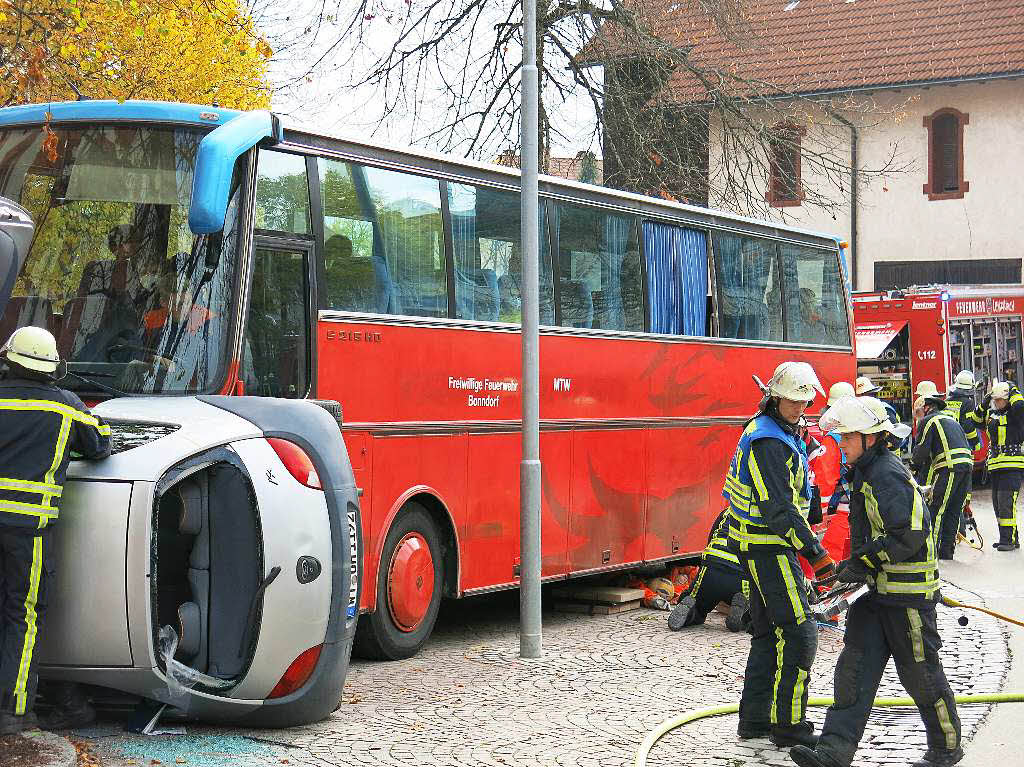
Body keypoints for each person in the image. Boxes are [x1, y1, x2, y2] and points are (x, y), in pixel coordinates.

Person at [790, 395, 962, 767]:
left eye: (848, 439)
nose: (841, 446)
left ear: (870, 438)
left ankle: (945, 748)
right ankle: (833, 752)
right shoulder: (868, 472)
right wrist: (854, 568)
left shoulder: (886, 474)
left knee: (921, 675)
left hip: (908, 597)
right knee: (853, 669)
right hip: (876, 594)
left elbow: (908, 533)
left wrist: (861, 563)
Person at [0, 326, 111, 734]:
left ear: (8, 359)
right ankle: (12, 711)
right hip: (27, 532)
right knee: (22, 615)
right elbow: (100, 444)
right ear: (51, 369)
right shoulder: (66, 407)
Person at [725, 361, 834, 749]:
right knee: (801, 632)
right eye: (794, 401)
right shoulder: (768, 440)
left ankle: (755, 720)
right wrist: (817, 555)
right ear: (775, 396)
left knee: (769, 634)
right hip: (769, 547)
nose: (801, 408)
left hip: (758, 545)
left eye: (805, 402)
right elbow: (779, 510)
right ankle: (789, 725)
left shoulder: (776, 430)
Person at [911, 392, 972, 560]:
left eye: (918, 413)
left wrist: (913, 468)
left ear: (926, 407)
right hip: (966, 466)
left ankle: (932, 553)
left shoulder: (928, 421)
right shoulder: (950, 419)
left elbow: (921, 450)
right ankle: (947, 552)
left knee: (937, 509)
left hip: (949, 467)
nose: (918, 417)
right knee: (953, 509)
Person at [667, 510, 749, 632]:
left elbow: (711, 539)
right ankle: (743, 615)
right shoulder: (767, 518)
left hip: (712, 567)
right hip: (741, 576)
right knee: (756, 613)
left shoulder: (728, 511)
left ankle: (691, 611)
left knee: (697, 603)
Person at [969, 380, 1024, 551]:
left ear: (1008, 399)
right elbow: (975, 420)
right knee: (998, 504)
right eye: (996, 400)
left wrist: (1013, 390)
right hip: (995, 466)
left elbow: (1020, 406)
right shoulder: (992, 415)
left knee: (1006, 503)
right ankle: (1008, 538)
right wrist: (984, 403)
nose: (997, 402)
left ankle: (1008, 540)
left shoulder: (1016, 414)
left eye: (1000, 399)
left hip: (1012, 466)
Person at [855, 376, 908, 451]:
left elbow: (897, 439)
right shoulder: (862, 411)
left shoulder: (884, 409)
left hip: (887, 454)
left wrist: (882, 447)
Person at [944, 371, 982, 452]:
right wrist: (975, 442)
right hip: (962, 442)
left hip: (947, 440)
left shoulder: (946, 401)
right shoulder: (968, 403)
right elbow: (968, 426)